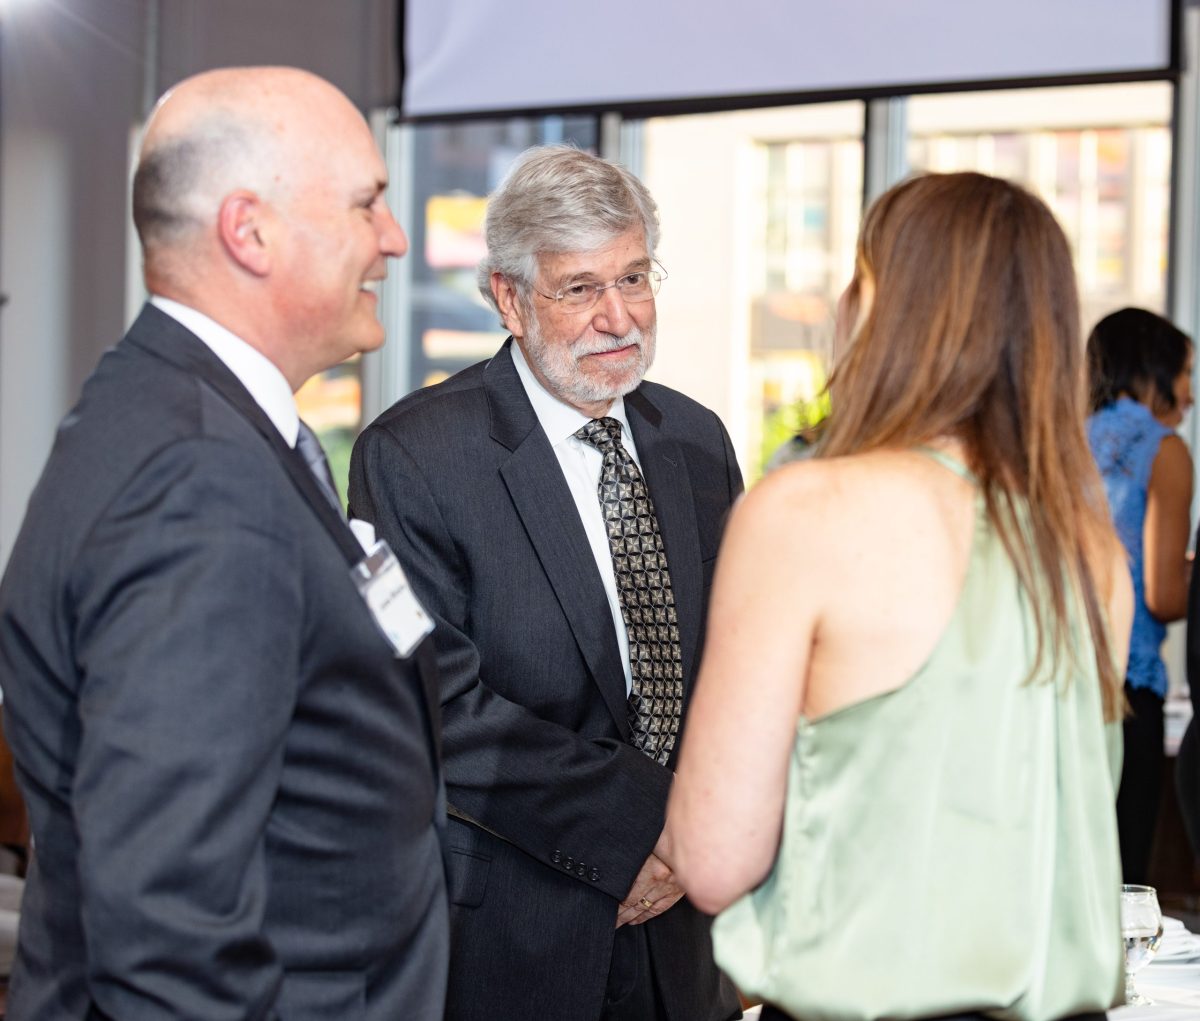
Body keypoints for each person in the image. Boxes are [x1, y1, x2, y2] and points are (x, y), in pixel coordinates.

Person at [0, 67, 448, 1020]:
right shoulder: (198, 477)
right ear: (250, 232)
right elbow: (166, 924)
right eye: (366, 202)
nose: (395, 237)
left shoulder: (182, 414)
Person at [667, 172, 1131, 1021]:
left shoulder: (808, 510)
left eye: (858, 276)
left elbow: (714, 855)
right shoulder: (1089, 548)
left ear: (888, 305)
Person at [348, 144, 743, 1021]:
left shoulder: (697, 440)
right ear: (509, 298)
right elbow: (437, 705)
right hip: (518, 934)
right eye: (580, 288)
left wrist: (698, 837)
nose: (618, 316)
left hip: (687, 932)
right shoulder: (415, 456)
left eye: (634, 277)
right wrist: (648, 825)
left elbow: (734, 663)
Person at [1086, 307, 1193, 884]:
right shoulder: (1164, 449)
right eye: (1186, 374)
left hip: (1058, 677)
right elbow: (1164, 595)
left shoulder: (1060, 439)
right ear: (1154, 371)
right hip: (1129, 689)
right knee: (1122, 885)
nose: (1191, 395)